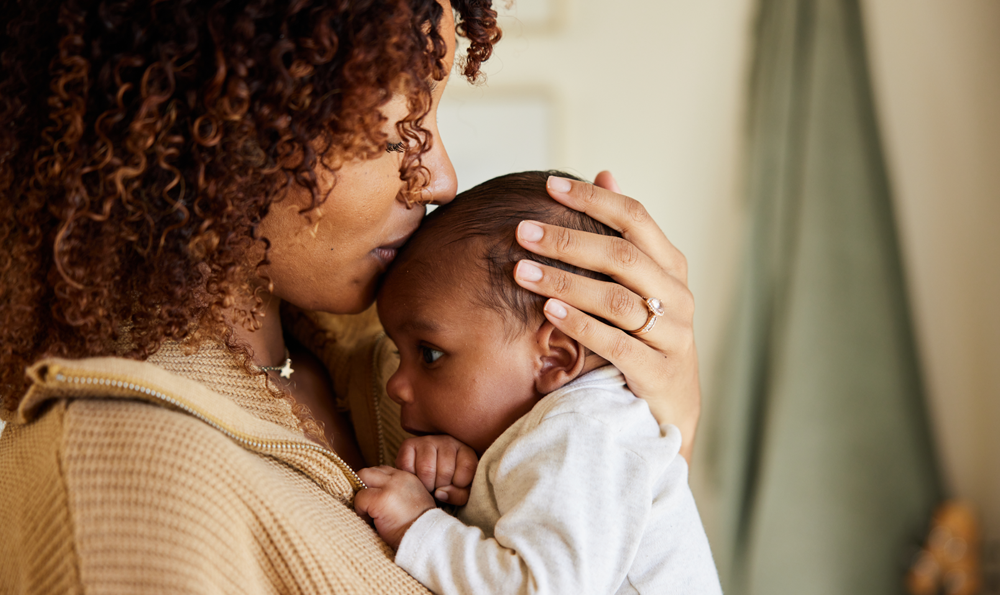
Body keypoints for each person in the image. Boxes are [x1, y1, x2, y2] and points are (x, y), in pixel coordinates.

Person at [0, 1, 702, 593]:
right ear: (221, 116)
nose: (440, 178)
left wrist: (655, 425)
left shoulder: (400, 363)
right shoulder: (117, 491)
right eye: (397, 124)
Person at [356, 171, 722, 594]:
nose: (395, 385)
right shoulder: (568, 430)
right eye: (399, 353)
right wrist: (468, 486)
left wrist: (419, 526)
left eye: (429, 354)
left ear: (554, 358)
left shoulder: (584, 431)